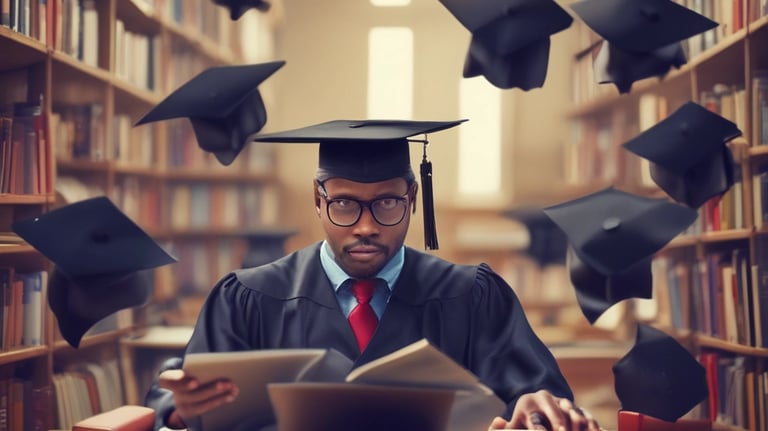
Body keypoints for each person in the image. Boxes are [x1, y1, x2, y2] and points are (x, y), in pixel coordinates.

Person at [145, 120, 602, 431]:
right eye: (345, 204)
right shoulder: (249, 297)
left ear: (413, 198)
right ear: (318, 199)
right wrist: (181, 411)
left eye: (386, 203)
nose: (366, 227)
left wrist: (537, 410)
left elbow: (536, 398)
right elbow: (173, 400)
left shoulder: (472, 296)